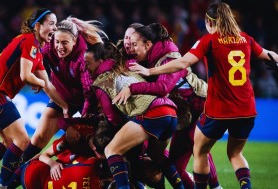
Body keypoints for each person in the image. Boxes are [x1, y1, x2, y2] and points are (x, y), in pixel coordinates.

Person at [129, 2, 278, 189]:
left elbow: (182, 63)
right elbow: (269, 55)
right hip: (247, 109)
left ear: (208, 21)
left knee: (200, 150)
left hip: (219, 110)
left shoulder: (209, 40)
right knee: (235, 154)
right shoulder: (245, 39)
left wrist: (150, 72)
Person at [0, 8, 69, 189]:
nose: (54, 28)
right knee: (21, 140)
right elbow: (25, 75)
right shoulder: (29, 40)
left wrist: (65, 106)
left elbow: (48, 85)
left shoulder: (36, 49)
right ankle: (0, 186)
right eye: (51, 23)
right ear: (38, 26)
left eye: (56, 24)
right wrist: (37, 81)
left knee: (7, 142)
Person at [119, 23, 221, 189]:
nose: (128, 44)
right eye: (125, 38)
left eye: (132, 41)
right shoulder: (145, 59)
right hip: (181, 115)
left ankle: (216, 187)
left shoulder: (171, 57)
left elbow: (163, 88)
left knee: (196, 143)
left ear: (147, 44)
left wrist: (132, 88)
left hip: (202, 105)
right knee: (176, 168)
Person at [85, 42, 184, 189]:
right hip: (170, 112)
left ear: (100, 61)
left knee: (112, 150)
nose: (86, 68)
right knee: (156, 155)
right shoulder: (128, 64)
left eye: (88, 63)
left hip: (150, 113)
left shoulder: (101, 82)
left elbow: (113, 118)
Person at [21, 17, 107, 163]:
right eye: (57, 42)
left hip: (87, 102)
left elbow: (88, 93)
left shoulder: (83, 57)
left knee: (96, 143)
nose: (59, 46)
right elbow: (33, 58)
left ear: (74, 40)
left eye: (64, 43)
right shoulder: (49, 47)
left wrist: (82, 119)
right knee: (38, 139)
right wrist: (35, 77)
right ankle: (6, 182)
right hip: (61, 97)